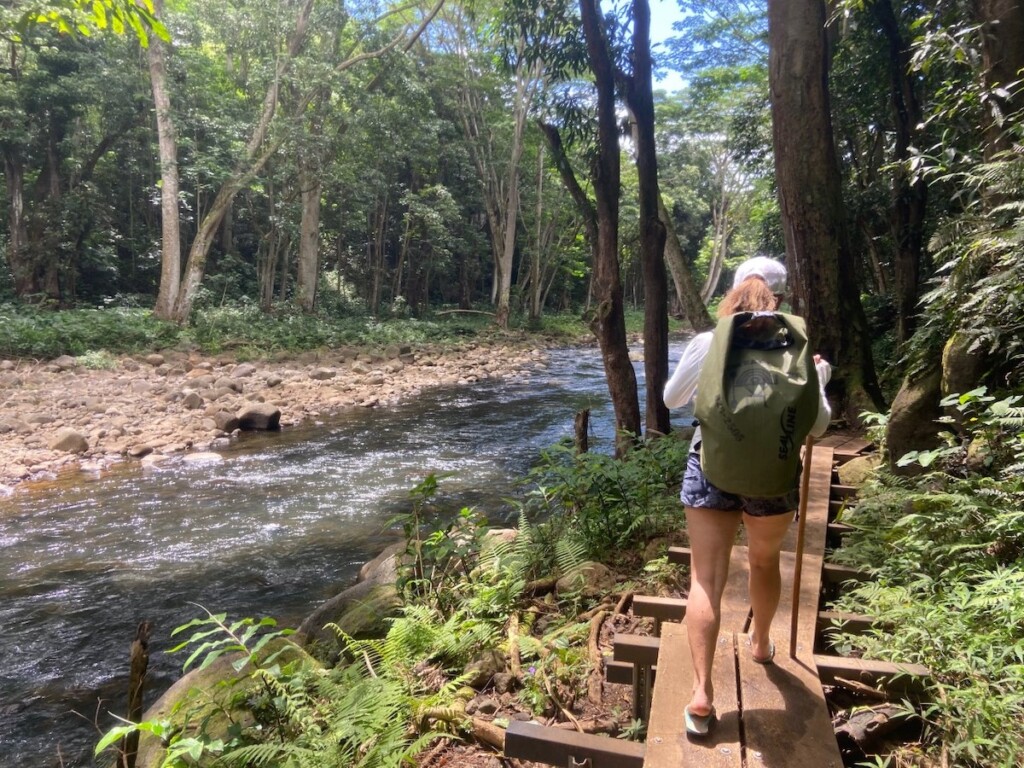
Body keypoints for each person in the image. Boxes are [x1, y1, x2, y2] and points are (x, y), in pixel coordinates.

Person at [663, 255, 832, 737]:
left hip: (711, 466)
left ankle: (700, 696)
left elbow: (672, 400)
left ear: (734, 293)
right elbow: (817, 425)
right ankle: (760, 644)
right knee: (763, 562)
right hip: (773, 474)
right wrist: (820, 380)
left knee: (706, 578)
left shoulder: (707, 342)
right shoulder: (798, 353)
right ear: (779, 300)